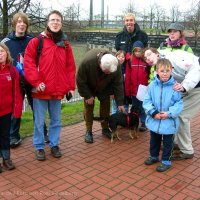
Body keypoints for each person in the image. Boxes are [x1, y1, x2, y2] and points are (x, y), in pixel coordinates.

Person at [24, 10, 76, 161]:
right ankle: (39, 147)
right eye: (52, 20)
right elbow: (28, 63)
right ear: (47, 22)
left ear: (61, 23)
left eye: (58, 20)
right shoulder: (36, 41)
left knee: (56, 121)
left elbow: (70, 67)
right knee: (39, 122)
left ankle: (54, 144)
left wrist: (70, 87)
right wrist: (36, 81)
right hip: (40, 90)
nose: (55, 22)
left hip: (57, 90)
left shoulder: (65, 44)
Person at [143, 47, 200, 160]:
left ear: (157, 53)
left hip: (196, 86)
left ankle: (187, 150)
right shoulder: (161, 66)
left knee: (182, 116)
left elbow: (195, 68)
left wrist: (185, 86)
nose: (147, 59)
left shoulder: (173, 59)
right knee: (177, 114)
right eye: (145, 58)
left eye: (149, 54)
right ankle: (175, 143)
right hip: (184, 86)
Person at [1, 12, 48, 148]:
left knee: (37, 108)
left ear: (26, 25)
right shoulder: (5, 42)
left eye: (24, 22)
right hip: (15, 82)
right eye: (19, 22)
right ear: (14, 24)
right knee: (16, 108)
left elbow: (40, 59)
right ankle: (13, 136)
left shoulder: (32, 40)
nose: (21, 24)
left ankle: (42, 132)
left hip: (31, 81)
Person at [76, 49, 125, 143]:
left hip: (105, 87)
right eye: (106, 72)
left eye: (110, 73)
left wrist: (120, 102)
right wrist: (87, 95)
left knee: (106, 108)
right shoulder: (87, 62)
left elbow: (118, 84)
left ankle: (105, 128)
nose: (108, 74)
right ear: (100, 65)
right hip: (89, 86)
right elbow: (80, 80)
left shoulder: (116, 64)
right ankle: (88, 131)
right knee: (88, 107)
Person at [143, 58, 183, 172]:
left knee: (167, 143)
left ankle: (166, 161)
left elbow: (179, 104)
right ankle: (154, 156)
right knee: (154, 140)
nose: (165, 73)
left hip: (168, 122)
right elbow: (147, 101)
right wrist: (153, 112)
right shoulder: (152, 85)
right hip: (154, 120)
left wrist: (169, 113)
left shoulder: (176, 87)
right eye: (162, 71)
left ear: (171, 71)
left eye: (167, 70)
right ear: (156, 71)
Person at [114, 13, 148, 114]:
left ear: (134, 21)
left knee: (137, 95)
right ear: (124, 22)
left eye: (131, 20)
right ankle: (123, 117)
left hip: (137, 69)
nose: (129, 22)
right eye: (127, 20)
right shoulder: (119, 36)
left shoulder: (142, 35)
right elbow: (118, 51)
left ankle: (137, 117)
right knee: (123, 93)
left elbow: (145, 51)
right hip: (122, 70)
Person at [0, 43, 23, 171]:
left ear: (7, 53)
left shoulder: (12, 70)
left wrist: (16, 110)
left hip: (6, 111)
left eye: (2, 51)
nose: (0, 54)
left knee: (5, 135)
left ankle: (6, 158)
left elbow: (17, 93)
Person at [125, 41, 149, 131]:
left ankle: (143, 123)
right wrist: (127, 91)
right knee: (135, 107)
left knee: (143, 107)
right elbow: (127, 77)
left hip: (143, 89)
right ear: (133, 51)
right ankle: (134, 122)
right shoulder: (130, 61)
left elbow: (149, 75)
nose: (137, 53)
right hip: (133, 89)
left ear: (143, 51)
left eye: (139, 51)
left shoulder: (146, 61)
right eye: (136, 51)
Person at [111, 50, 127, 114]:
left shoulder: (126, 68)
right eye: (119, 56)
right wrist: (111, 92)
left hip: (124, 92)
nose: (121, 58)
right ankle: (114, 121)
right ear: (116, 57)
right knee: (115, 107)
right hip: (115, 91)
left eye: (123, 57)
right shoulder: (113, 67)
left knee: (124, 107)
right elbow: (111, 81)